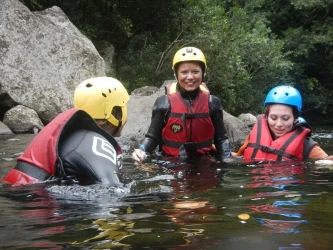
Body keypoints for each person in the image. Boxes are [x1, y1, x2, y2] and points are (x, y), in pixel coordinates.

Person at [3, 77, 130, 186]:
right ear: (114, 113)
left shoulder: (77, 136)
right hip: (41, 204)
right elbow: (114, 192)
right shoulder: (92, 143)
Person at [131, 47, 230, 164]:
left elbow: (221, 139)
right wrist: (141, 150)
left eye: (195, 71)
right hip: (170, 163)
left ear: (203, 73)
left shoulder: (213, 103)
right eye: (184, 72)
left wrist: (226, 160)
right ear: (176, 74)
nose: (190, 77)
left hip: (203, 163)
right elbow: (153, 138)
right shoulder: (163, 103)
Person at [233, 85, 333, 161]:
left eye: (285, 118)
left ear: (295, 118)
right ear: (266, 116)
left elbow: (327, 160)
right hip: (261, 186)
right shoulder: (254, 135)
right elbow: (238, 156)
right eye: (273, 118)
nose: (279, 124)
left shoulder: (306, 145)